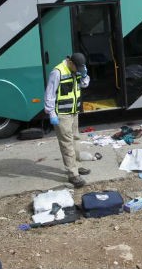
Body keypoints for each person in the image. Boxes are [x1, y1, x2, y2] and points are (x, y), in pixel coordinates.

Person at [44, 52, 92, 188]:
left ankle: (77, 166)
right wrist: (51, 112)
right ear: (70, 62)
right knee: (67, 143)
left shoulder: (77, 69)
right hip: (62, 115)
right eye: (77, 68)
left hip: (74, 112)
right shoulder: (57, 72)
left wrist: (84, 76)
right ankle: (73, 174)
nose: (78, 70)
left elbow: (84, 85)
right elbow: (49, 93)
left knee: (75, 139)